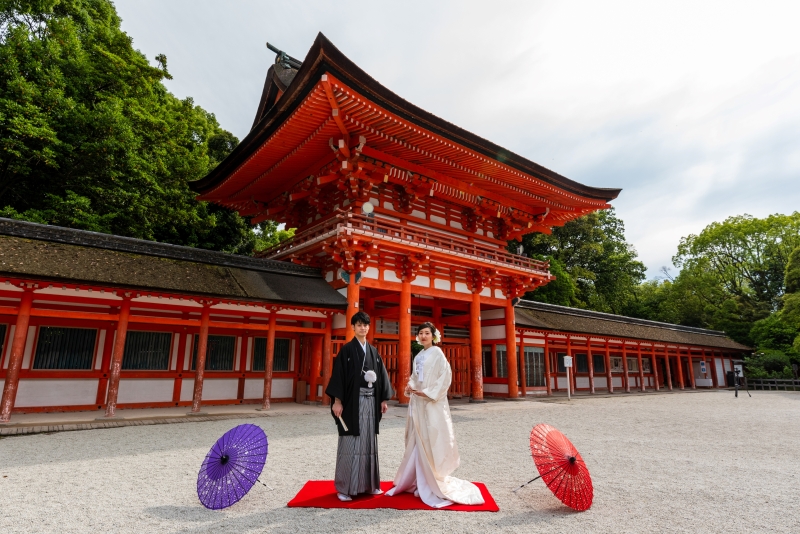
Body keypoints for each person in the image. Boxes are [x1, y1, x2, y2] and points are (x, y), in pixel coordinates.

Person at [386, 322, 484, 508]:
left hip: (432, 402)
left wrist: (430, 392)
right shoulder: (419, 355)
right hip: (418, 402)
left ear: (433, 336)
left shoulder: (438, 353)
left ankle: (430, 478)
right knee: (416, 438)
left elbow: (445, 376)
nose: (423, 336)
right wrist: (410, 386)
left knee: (432, 438)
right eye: (421, 333)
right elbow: (415, 377)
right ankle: (416, 478)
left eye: (427, 333)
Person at [325, 311, 393, 501]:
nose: (363, 328)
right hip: (351, 403)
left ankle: (369, 485)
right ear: (353, 327)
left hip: (370, 401)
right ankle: (345, 488)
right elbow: (338, 376)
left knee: (368, 442)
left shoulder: (373, 351)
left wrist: (383, 399)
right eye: (359, 324)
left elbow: (382, 376)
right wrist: (337, 401)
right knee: (351, 441)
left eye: (365, 325)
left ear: (368, 328)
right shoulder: (346, 350)